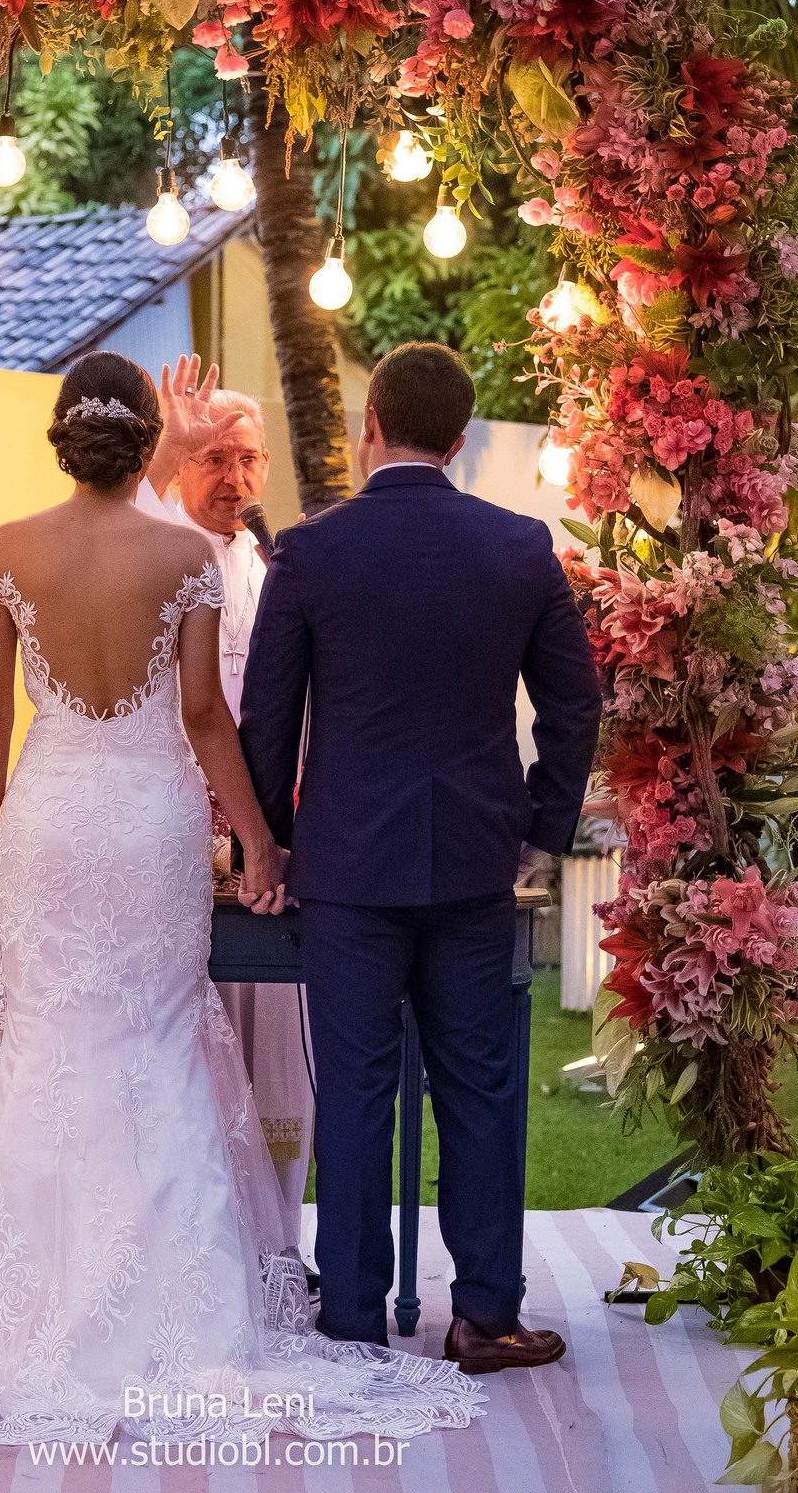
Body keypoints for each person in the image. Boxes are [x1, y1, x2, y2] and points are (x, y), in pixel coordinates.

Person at [0, 350, 483, 1446]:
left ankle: (15, 1302)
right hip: (150, 824)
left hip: (49, 818)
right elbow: (207, 723)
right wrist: (263, 843)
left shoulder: (3, 552)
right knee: (158, 1036)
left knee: (41, 1038)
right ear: (147, 444)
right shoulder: (185, 558)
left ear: (61, 437)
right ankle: (182, 1305)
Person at [239, 341, 602, 1374]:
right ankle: (484, 1314)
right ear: (460, 436)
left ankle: (352, 1312)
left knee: (355, 1091)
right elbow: (576, 704)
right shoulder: (520, 547)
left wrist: (269, 844)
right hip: (480, 864)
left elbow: (269, 720)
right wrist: (542, 828)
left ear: (368, 426)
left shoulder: (310, 553)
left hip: (347, 868)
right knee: (479, 1089)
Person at [136, 354, 315, 1234]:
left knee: (277, 1040)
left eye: (248, 459)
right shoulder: (149, 551)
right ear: (181, 464)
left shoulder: (283, 565)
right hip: (169, 831)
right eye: (214, 458)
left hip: (268, 832)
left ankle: (278, 1238)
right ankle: (196, 1242)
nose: (234, 477)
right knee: (184, 1046)